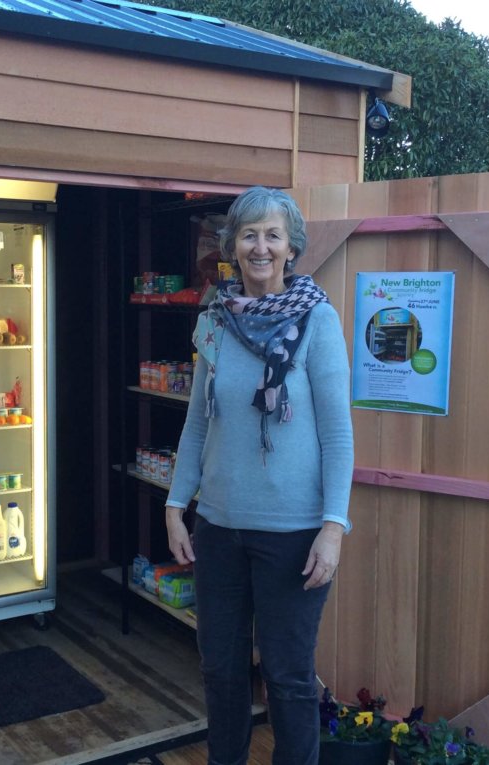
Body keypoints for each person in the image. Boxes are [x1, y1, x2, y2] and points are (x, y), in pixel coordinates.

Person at [164, 186, 354, 765]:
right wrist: (176, 505)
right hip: (219, 528)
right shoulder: (216, 323)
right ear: (232, 246)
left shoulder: (318, 321)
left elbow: (337, 435)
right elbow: (199, 424)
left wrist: (334, 526)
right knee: (221, 671)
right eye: (248, 234)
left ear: (292, 246)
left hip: (293, 535)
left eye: (272, 234)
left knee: (289, 678)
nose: (260, 247)